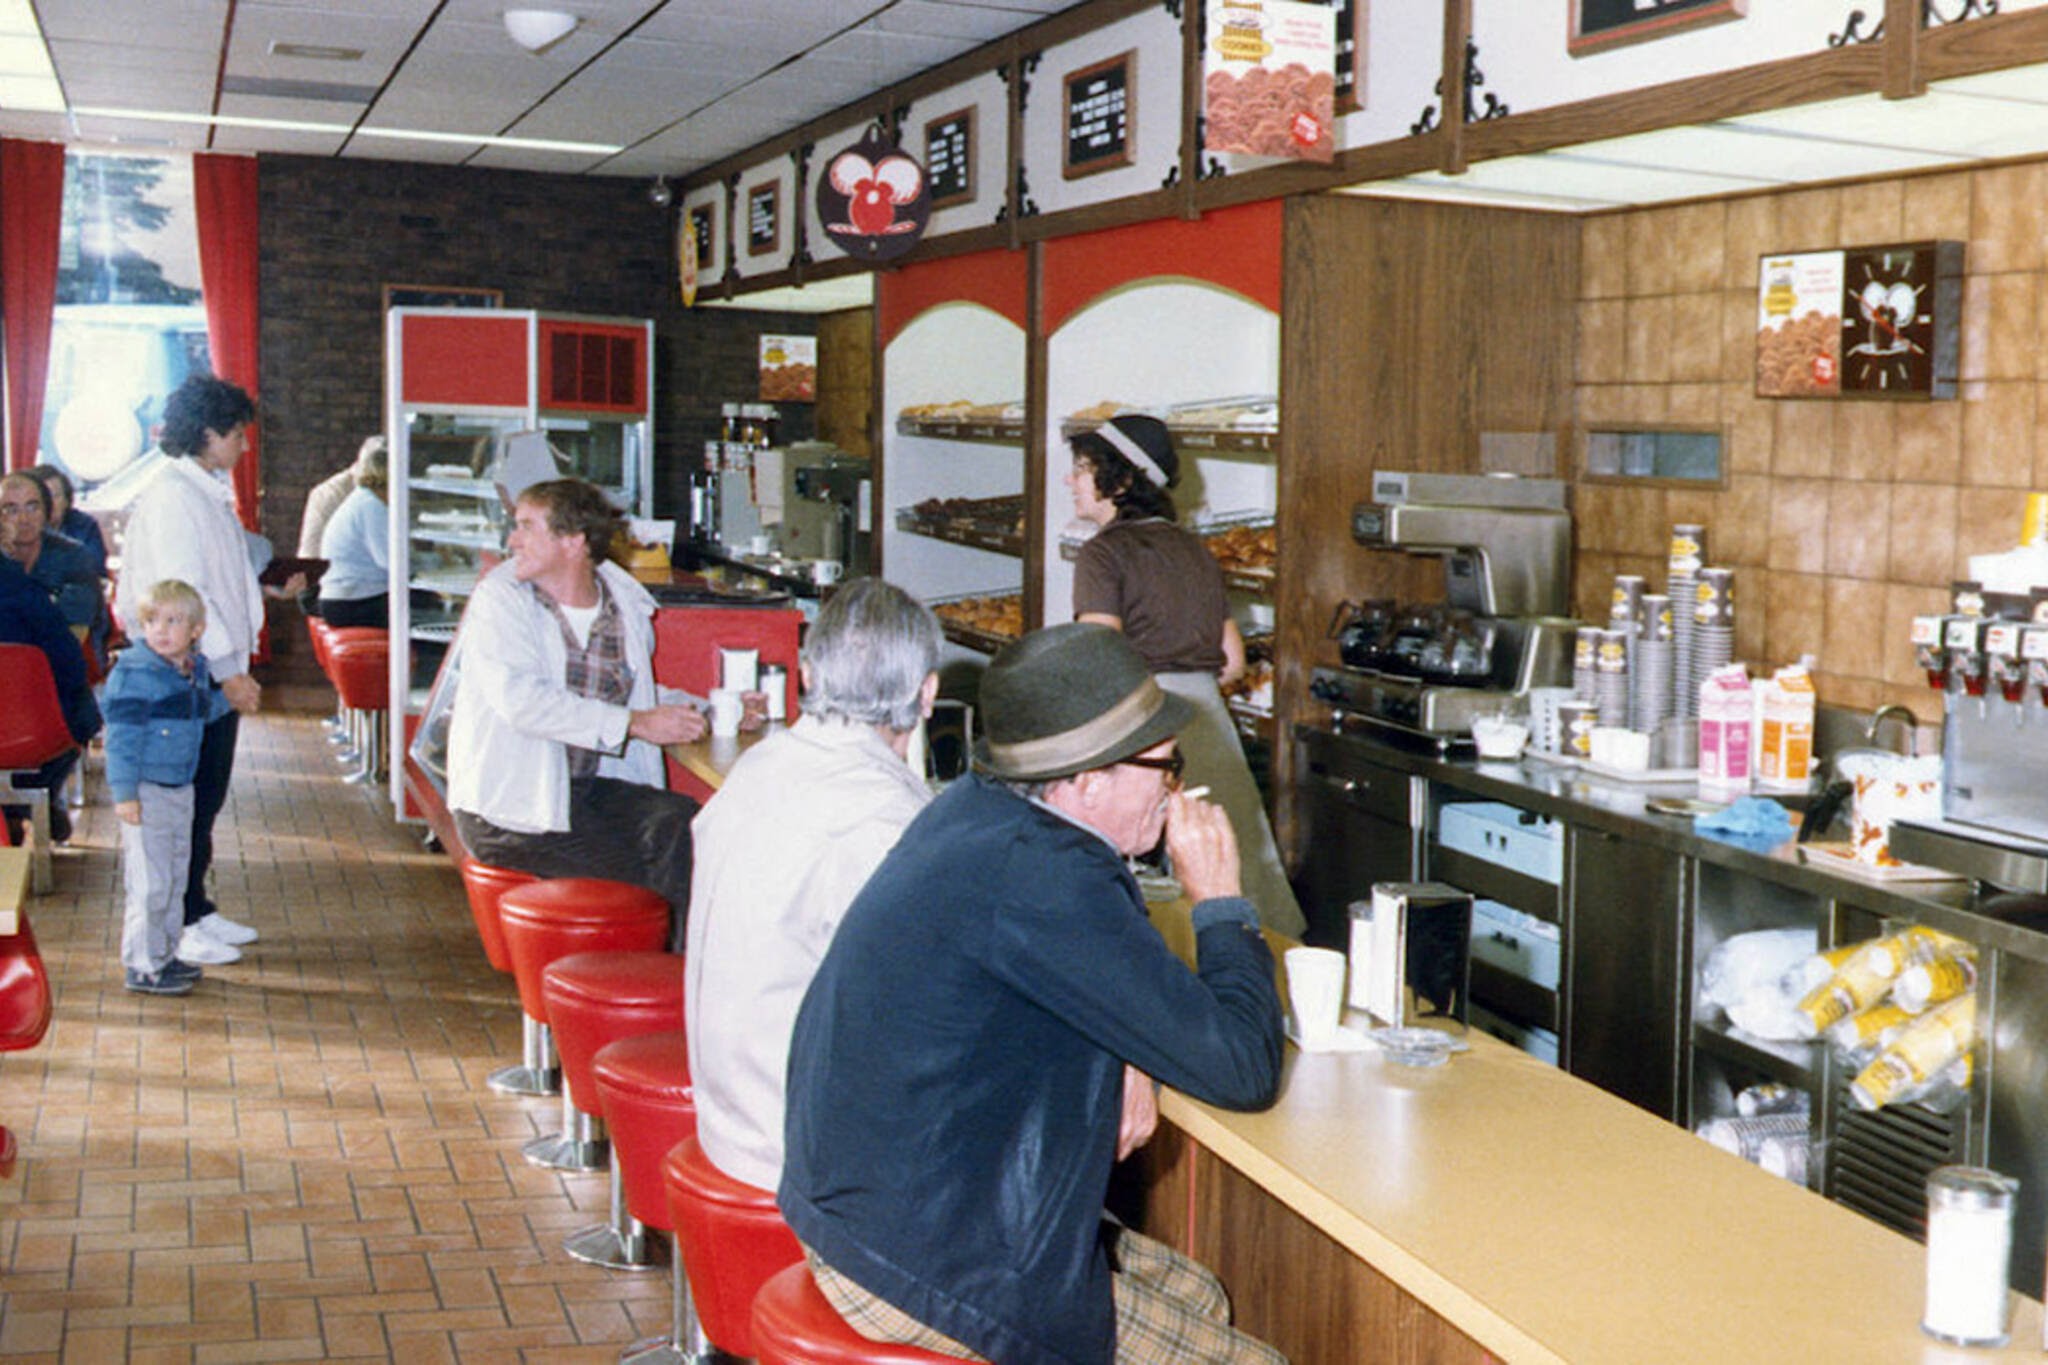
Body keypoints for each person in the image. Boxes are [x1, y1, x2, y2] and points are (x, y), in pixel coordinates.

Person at [781, 622, 1287, 1365]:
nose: (1173, 783)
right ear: (1086, 780)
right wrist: (1220, 901)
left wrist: (1128, 1055)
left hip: (865, 1198)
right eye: (1163, 763)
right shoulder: (1046, 878)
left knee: (1196, 1293)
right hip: (912, 1253)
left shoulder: (983, 816)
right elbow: (1242, 1066)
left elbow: (1065, 978)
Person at [684, 577, 941, 1193]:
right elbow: (924, 1013)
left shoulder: (762, 765)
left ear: (805, 675)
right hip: (795, 1155)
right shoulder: (881, 817)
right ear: (927, 694)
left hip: (728, 1115)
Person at [447, 477, 722, 951]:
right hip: (509, 808)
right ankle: (657, 988)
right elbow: (522, 702)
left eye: (527, 527)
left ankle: (671, 981)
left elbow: (637, 693)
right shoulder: (502, 601)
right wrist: (635, 725)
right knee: (650, 869)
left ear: (573, 542)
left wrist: (713, 710)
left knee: (680, 820)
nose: (512, 541)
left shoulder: (623, 604)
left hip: (580, 792)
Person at [1067, 414, 1305, 937]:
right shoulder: (1194, 549)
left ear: (1121, 479)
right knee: (1234, 883)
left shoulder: (1102, 552)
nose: (1071, 481)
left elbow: (1098, 654)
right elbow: (1232, 660)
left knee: (1158, 902)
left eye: (1082, 469)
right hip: (1208, 725)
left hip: (1143, 729)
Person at [113, 375, 275, 967]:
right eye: (237, 435)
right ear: (208, 434)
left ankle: (196, 905)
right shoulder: (175, 497)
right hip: (188, 670)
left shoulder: (202, 489)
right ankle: (177, 923)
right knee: (184, 798)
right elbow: (188, 595)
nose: (244, 446)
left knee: (204, 796)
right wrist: (227, 667)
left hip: (203, 668)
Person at [104, 579, 226, 997]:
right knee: (150, 882)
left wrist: (232, 698)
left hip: (179, 788)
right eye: (152, 620)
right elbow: (120, 741)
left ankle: (165, 953)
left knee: (174, 874)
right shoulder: (135, 676)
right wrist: (125, 795)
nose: (160, 630)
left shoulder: (192, 670)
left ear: (195, 629)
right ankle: (142, 964)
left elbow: (204, 711)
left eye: (173, 621)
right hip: (146, 790)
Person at [0, 551, 100, 846]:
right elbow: (69, 663)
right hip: (28, 732)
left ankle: (15, 807)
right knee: (81, 715)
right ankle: (27, 799)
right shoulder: (22, 587)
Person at [1, 471, 101, 636]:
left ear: (46, 511)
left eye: (33, 507)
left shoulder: (74, 557)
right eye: (11, 510)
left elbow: (74, 631)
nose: (24, 519)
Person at [297, 435, 382, 615]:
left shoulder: (373, 492)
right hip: (318, 589)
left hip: (345, 586)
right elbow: (312, 561)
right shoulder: (336, 494)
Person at [316, 442, 391, 629]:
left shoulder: (363, 499)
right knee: (427, 611)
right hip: (351, 603)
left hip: (345, 599)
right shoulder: (372, 506)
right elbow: (390, 561)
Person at [26, 464, 107, 578]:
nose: (50, 503)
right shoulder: (21, 529)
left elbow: (94, 569)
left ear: (66, 500)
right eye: (44, 496)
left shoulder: (84, 526)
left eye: (55, 496)